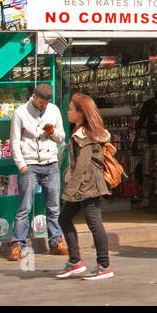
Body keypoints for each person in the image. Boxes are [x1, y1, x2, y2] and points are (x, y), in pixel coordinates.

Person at [55, 93, 113, 280]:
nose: (68, 112)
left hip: (88, 185)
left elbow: (82, 165)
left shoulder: (84, 136)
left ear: (80, 113)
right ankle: (75, 261)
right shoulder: (81, 131)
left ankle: (104, 265)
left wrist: (69, 190)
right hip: (82, 185)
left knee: (94, 223)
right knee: (64, 218)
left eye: (71, 109)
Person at [8, 82, 67, 261]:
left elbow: (61, 137)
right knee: (25, 207)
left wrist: (52, 132)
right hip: (30, 163)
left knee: (54, 206)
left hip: (51, 162)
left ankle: (56, 241)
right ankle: (18, 243)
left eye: (46, 104)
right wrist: (22, 166)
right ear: (33, 97)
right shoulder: (20, 112)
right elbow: (14, 141)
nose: (43, 106)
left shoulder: (54, 111)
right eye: (41, 103)